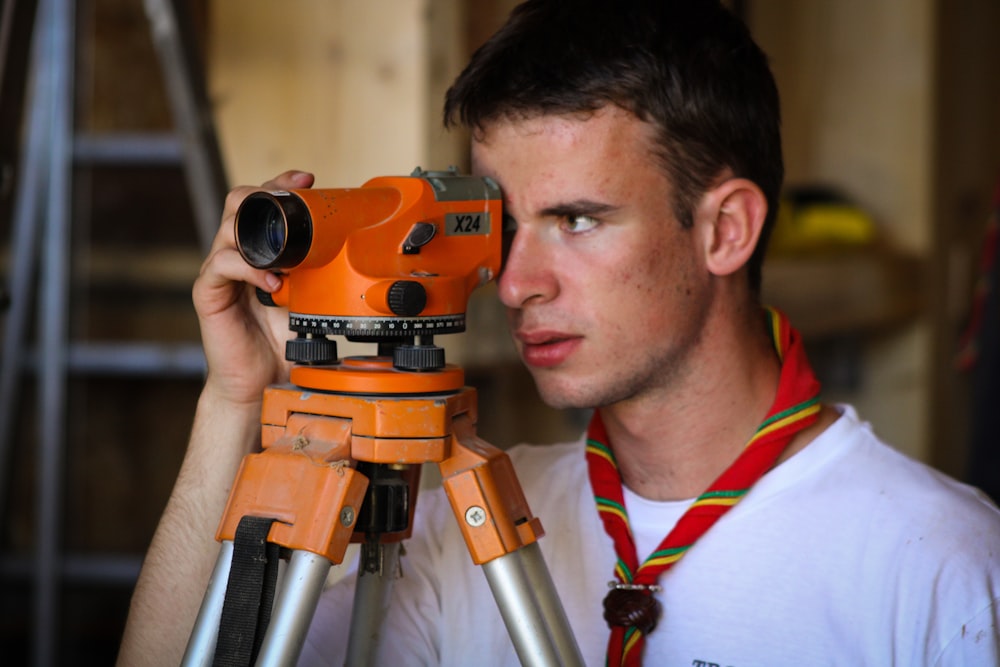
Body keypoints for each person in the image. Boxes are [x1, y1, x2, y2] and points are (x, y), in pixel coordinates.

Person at [118, 1, 1000, 665]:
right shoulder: (459, 524)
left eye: (577, 219)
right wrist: (235, 400)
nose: (515, 280)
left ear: (725, 229)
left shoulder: (941, 566)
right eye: (503, 225)